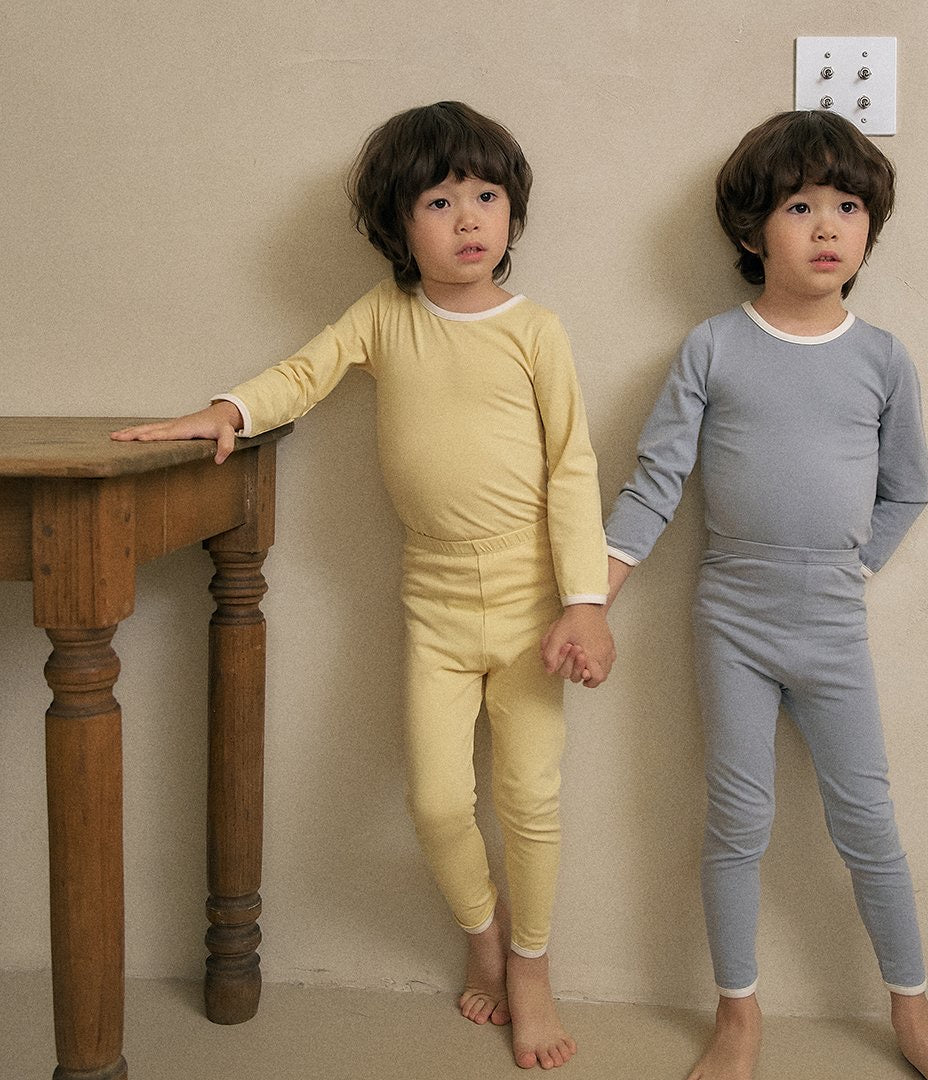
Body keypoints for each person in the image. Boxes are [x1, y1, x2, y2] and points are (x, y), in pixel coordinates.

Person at [112, 100, 615, 1071]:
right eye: (439, 201)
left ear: (512, 212)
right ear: (398, 223)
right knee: (437, 800)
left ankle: (532, 965)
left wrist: (585, 602)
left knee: (529, 797)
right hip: (433, 601)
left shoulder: (536, 330)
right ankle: (482, 936)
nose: (467, 218)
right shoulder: (385, 316)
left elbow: (574, 466)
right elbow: (304, 374)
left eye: (485, 196)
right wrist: (227, 410)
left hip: (532, 604)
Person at [601, 111, 928, 1080]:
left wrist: (853, 567)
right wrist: (590, 596)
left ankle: (915, 1017)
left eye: (848, 207)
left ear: (869, 229)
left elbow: (908, 490)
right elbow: (656, 484)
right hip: (731, 619)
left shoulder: (882, 359)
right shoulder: (712, 347)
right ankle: (737, 1017)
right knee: (739, 822)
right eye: (800, 206)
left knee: (868, 824)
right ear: (752, 229)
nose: (827, 226)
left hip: (832, 623)